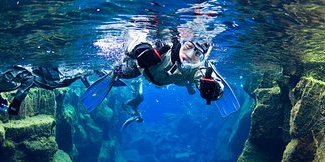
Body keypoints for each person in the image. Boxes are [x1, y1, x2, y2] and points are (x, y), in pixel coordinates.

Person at [81, 36, 239, 122]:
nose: (189, 56)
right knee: (125, 70)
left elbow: (210, 78)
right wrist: (139, 49)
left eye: (197, 54)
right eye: (189, 47)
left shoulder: (198, 67)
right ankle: (98, 72)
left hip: (175, 78)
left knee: (190, 79)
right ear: (181, 41)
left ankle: (190, 86)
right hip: (144, 69)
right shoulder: (163, 46)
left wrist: (214, 90)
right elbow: (134, 37)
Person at [0, 65, 85, 115]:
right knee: (53, 84)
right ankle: (81, 73)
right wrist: (0, 101)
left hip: (32, 71)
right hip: (24, 77)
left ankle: (83, 72)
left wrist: (16, 103)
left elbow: (29, 77)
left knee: (53, 83)